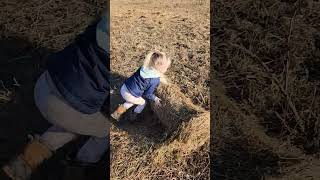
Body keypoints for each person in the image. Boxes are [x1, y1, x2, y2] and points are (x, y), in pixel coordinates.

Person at [2, 8, 110, 180]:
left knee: (78, 120)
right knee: (108, 128)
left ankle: (24, 163)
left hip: (44, 85)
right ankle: (80, 163)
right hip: (68, 108)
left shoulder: (104, 22)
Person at [111, 50, 171, 121]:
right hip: (130, 94)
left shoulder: (144, 67)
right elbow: (147, 94)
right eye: (166, 67)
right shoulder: (154, 80)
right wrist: (155, 98)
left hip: (124, 87)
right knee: (142, 103)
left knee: (130, 102)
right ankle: (133, 115)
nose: (167, 69)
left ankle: (116, 114)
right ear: (160, 67)